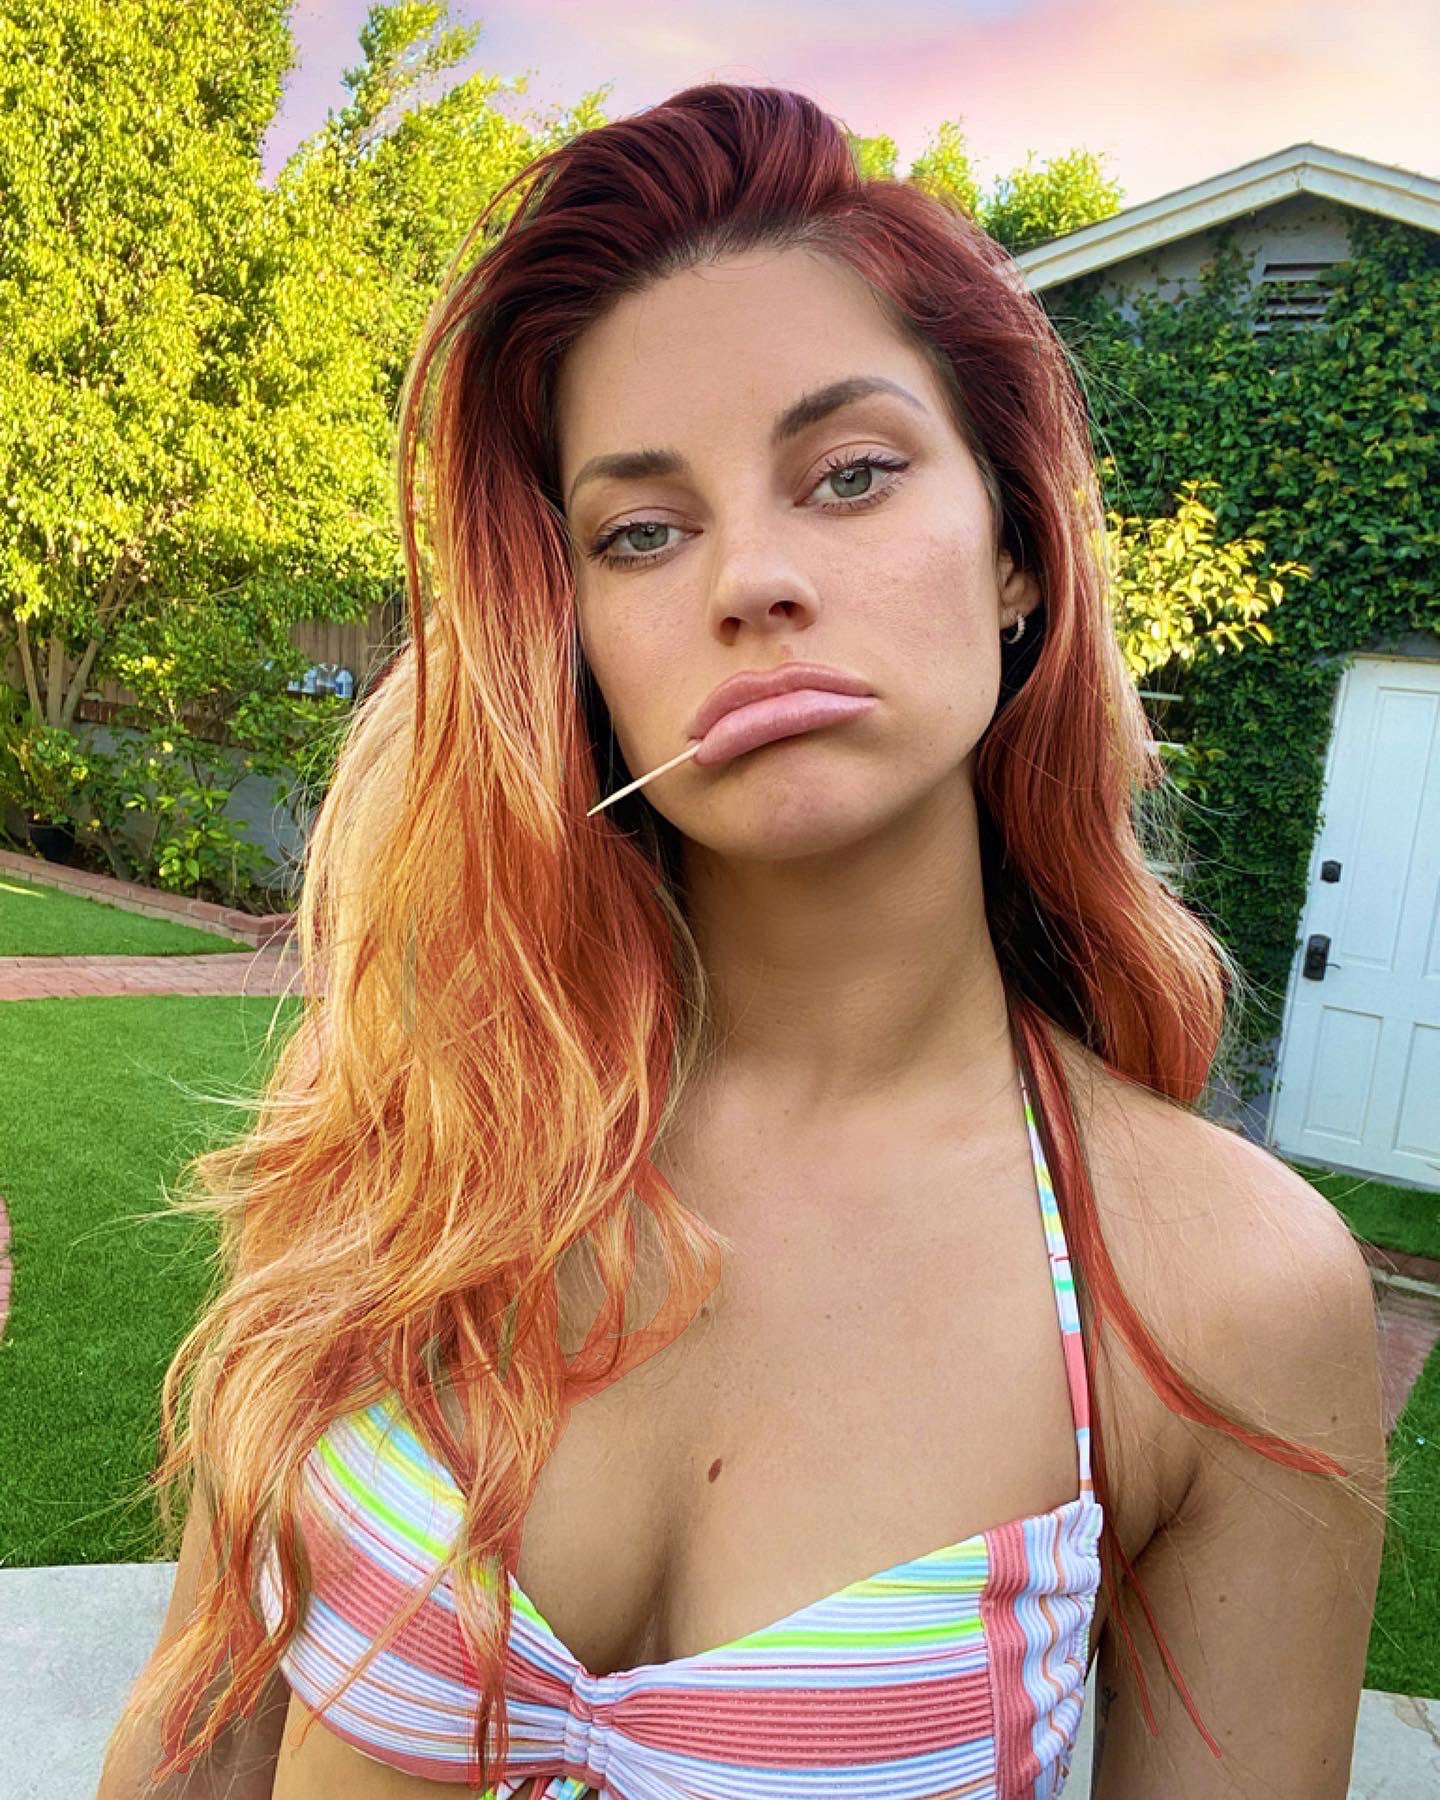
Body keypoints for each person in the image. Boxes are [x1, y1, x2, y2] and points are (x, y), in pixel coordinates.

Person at [99, 83, 1386, 1800]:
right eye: (641, 530)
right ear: (576, 633)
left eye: (849, 475)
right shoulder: (416, 1119)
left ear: (1017, 549)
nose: (749, 581)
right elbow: (200, 1730)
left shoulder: (1221, 1288)